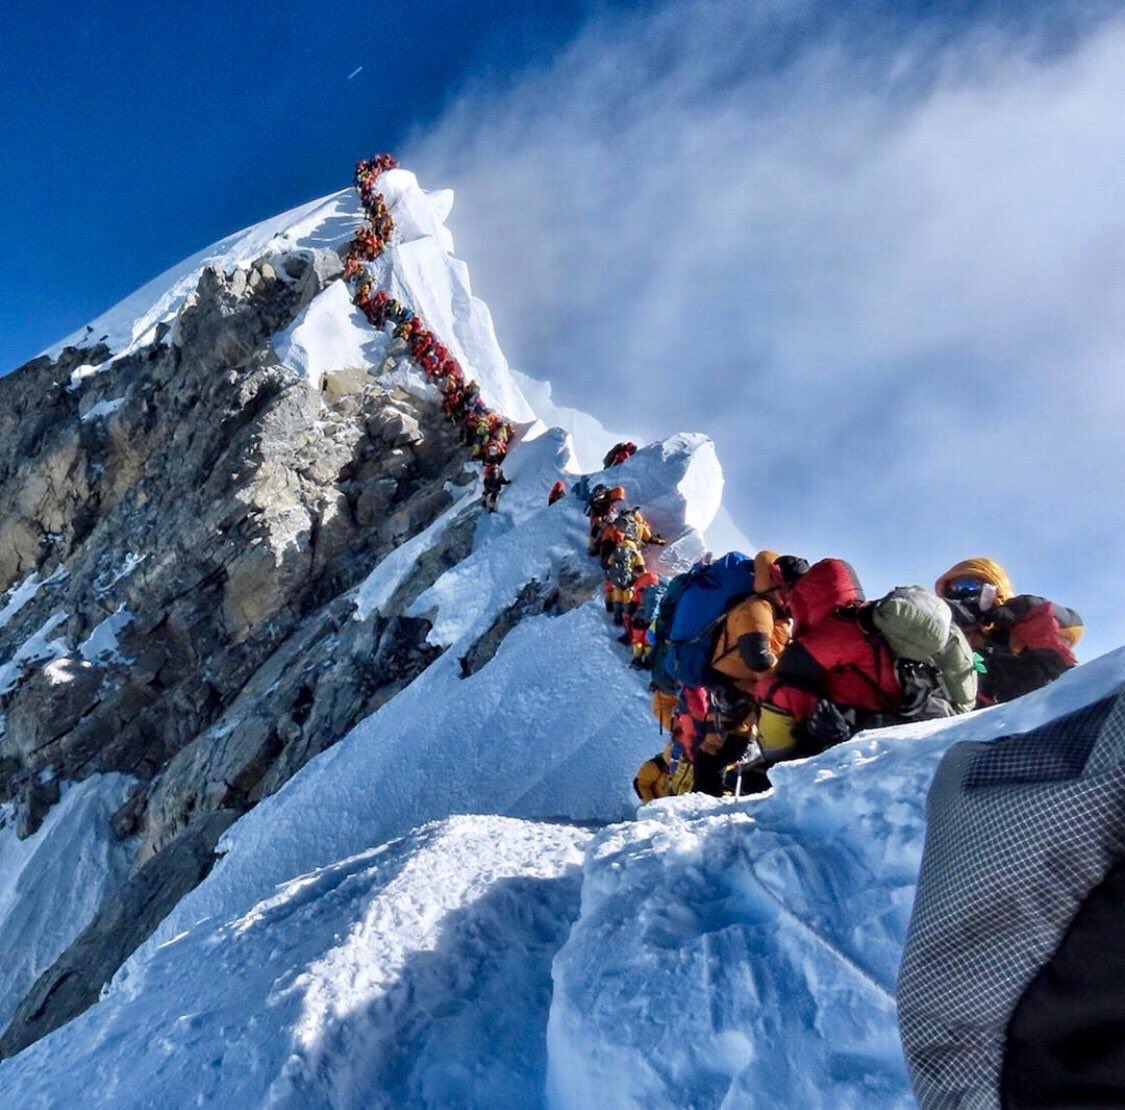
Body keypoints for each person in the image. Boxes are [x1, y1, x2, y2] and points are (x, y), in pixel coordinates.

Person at [935, 558, 1083, 704]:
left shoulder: (1016, 633)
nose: (962, 592)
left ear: (994, 591)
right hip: (958, 712)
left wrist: (1026, 608)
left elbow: (1072, 626)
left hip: (1032, 708)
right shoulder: (942, 637)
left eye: (970, 585)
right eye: (954, 588)